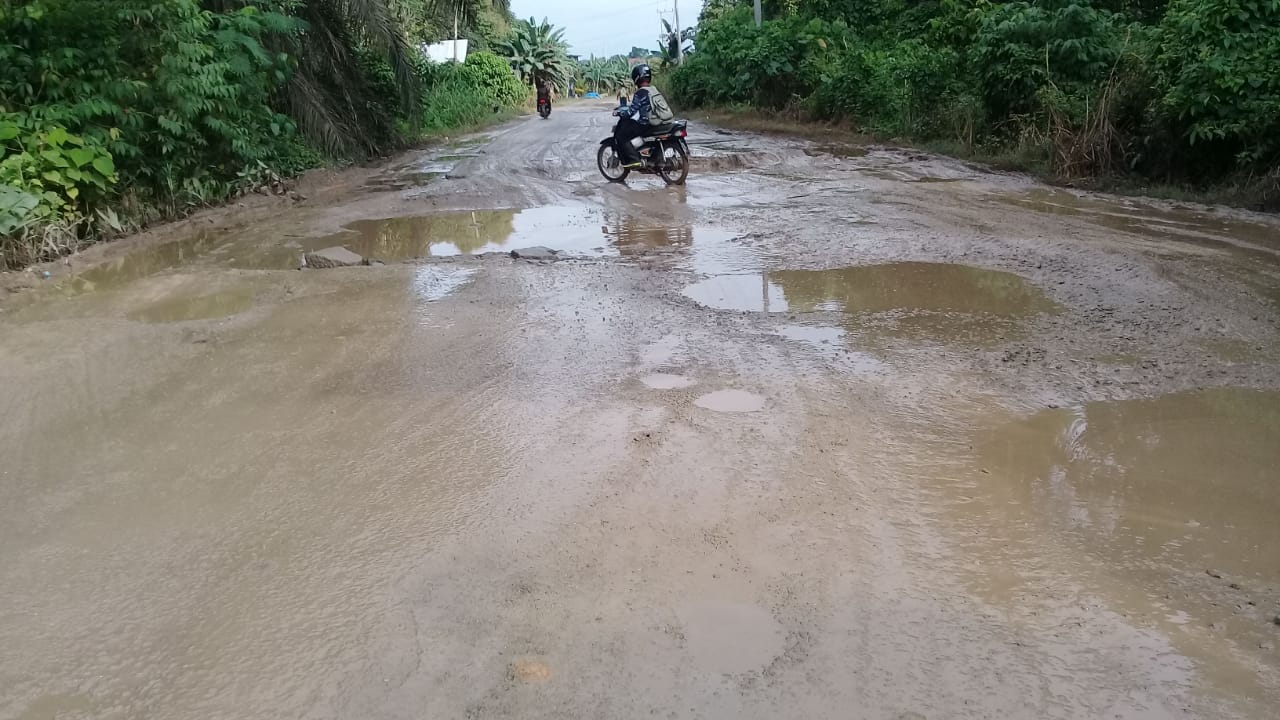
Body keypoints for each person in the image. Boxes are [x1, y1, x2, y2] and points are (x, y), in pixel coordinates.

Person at [613, 64, 674, 168]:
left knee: (622, 135)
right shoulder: (653, 89)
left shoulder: (640, 93)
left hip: (647, 124)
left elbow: (631, 112)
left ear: (636, 78)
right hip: (660, 122)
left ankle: (634, 159)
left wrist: (620, 113)